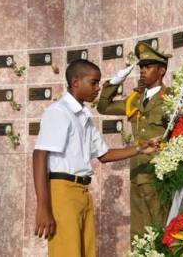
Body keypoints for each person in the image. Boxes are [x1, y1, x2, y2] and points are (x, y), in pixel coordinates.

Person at [33, 59, 159, 256]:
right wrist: (43, 207)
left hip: (82, 192)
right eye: (93, 83)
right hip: (62, 192)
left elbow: (104, 154)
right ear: (76, 82)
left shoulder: (83, 115)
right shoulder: (59, 112)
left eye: (99, 83)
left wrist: (140, 148)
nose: (98, 88)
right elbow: (39, 155)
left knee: (86, 252)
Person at [97, 42, 172, 238]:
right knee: (139, 233)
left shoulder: (171, 99)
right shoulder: (135, 100)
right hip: (137, 173)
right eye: (141, 67)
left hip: (158, 175)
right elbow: (103, 107)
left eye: (148, 67)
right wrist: (115, 81)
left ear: (161, 70)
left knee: (160, 228)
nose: (143, 71)